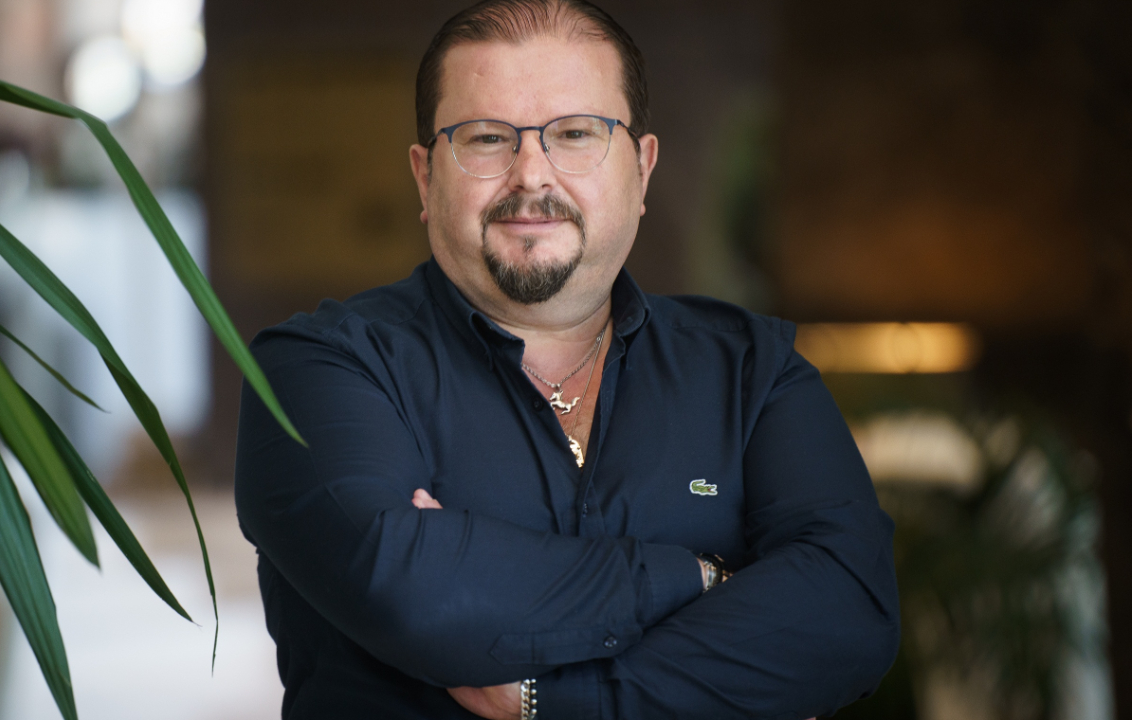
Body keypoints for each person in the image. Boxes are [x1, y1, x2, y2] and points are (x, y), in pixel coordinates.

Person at [234, 1, 901, 718]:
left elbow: (849, 615)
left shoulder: (753, 371)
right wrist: (706, 578)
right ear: (426, 180)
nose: (531, 176)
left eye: (576, 134)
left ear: (641, 169)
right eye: (487, 139)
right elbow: (411, 594)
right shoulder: (318, 370)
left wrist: (555, 700)